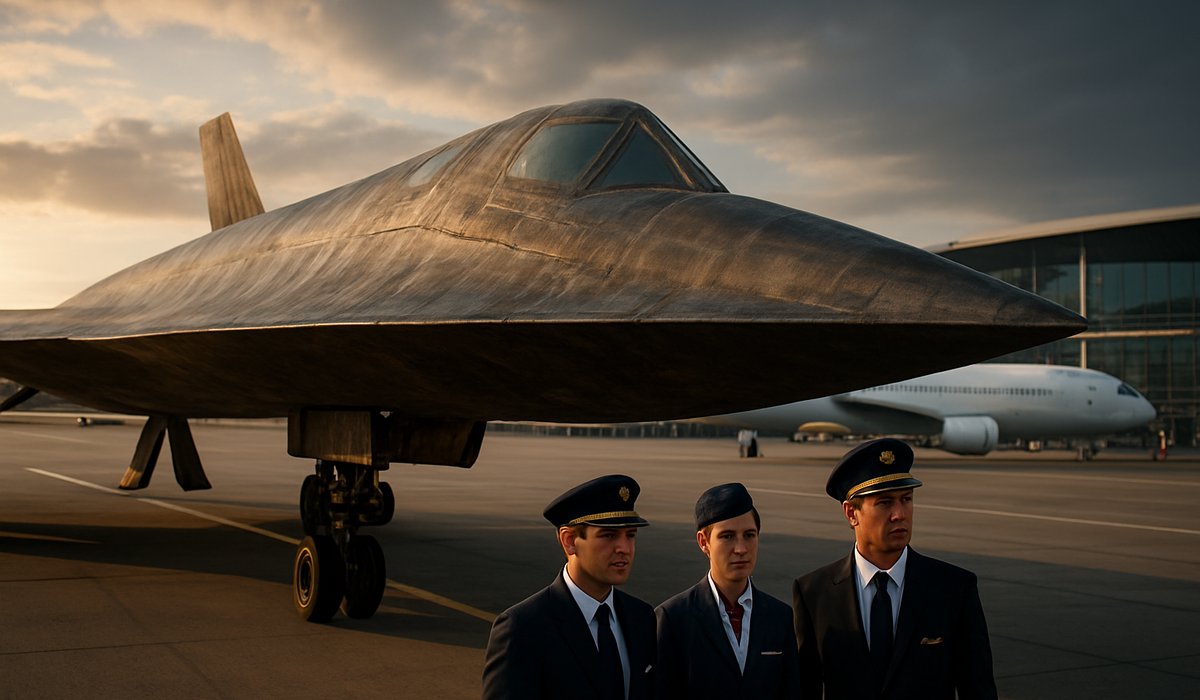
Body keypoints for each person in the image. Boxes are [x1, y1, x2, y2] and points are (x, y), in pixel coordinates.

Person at [792, 438, 997, 699]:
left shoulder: (953, 589)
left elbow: (978, 688)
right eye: (885, 502)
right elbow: (805, 688)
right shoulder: (814, 593)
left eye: (906, 499)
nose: (900, 513)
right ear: (851, 513)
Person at [482, 474, 656, 699]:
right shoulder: (522, 628)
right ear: (569, 541)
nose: (624, 547)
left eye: (630, 535)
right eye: (608, 535)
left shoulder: (641, 617)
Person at [655, 483, 800, 699]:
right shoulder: (674, 618)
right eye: (727, 536)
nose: (741, 549)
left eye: (749, 535)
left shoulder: (780, 617)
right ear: (704, 542)